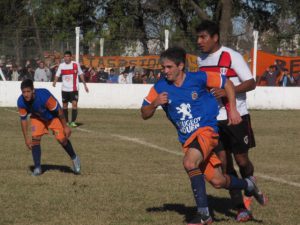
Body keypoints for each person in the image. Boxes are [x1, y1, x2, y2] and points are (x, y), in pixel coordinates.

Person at [141, 47, 267, 225]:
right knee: (218, 181)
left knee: (189, 163)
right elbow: (144, 113)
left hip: (206, 130)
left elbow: (227, 83)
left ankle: (204, 214)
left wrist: (233, 108)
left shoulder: (198, 78)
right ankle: (248, 185)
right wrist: (154, 104)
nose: (165, 71)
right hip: (188, 139)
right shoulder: (160, 87)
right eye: (163, 67)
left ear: (181, 66)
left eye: (169, 67)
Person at [196, 20, 265, 222]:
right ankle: (240, 208)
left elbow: (251, 83)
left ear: (215, 37)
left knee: (242, 160)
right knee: (224, 164)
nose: (199, 41)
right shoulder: (200, 60)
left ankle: (250, 181)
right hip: (213, 119)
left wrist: (229, 91)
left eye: (203, 37)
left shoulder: (231, 56)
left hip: (236, 116)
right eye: (198, 37)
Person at [17, 79, 81, 176]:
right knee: (35, 139)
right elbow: (23, 120)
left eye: (28, 91)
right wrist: (26, 139)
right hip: (37, 118)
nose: (26, 94)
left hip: (53, 117)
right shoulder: (21, 101)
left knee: (62, 139)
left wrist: (65, 126)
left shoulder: (44, 96)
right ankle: (37, 168)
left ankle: (75, 158)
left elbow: (59, 111)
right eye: (24, 92)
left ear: (33, 90)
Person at [52, 51, 89, 128]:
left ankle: (72, 122)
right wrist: (54, 82)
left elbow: (81, 74)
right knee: (64, 106)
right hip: (64, 89)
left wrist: (85, 85)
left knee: (74, 105)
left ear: (71, 57)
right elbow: (57, 74)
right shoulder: (61, 66)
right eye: (65, 56)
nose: (66, 58)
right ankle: (66, 122)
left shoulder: (75, 65)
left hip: (74, 89)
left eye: (68, 56)